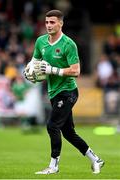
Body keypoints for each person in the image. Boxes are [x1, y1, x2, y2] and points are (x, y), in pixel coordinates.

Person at [24, 9, 105, 175]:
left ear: (61, 23)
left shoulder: (69, 44)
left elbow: (76, 71)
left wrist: (53, 69)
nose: (48, 25)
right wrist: (29, 71)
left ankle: (53, 166)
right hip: (54, 92)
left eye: (52, 22)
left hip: (68, 91)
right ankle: (95, 159)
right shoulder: (41, 41)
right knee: (68, 132)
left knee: (52, 126)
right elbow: (34, 62)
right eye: (47, 22)